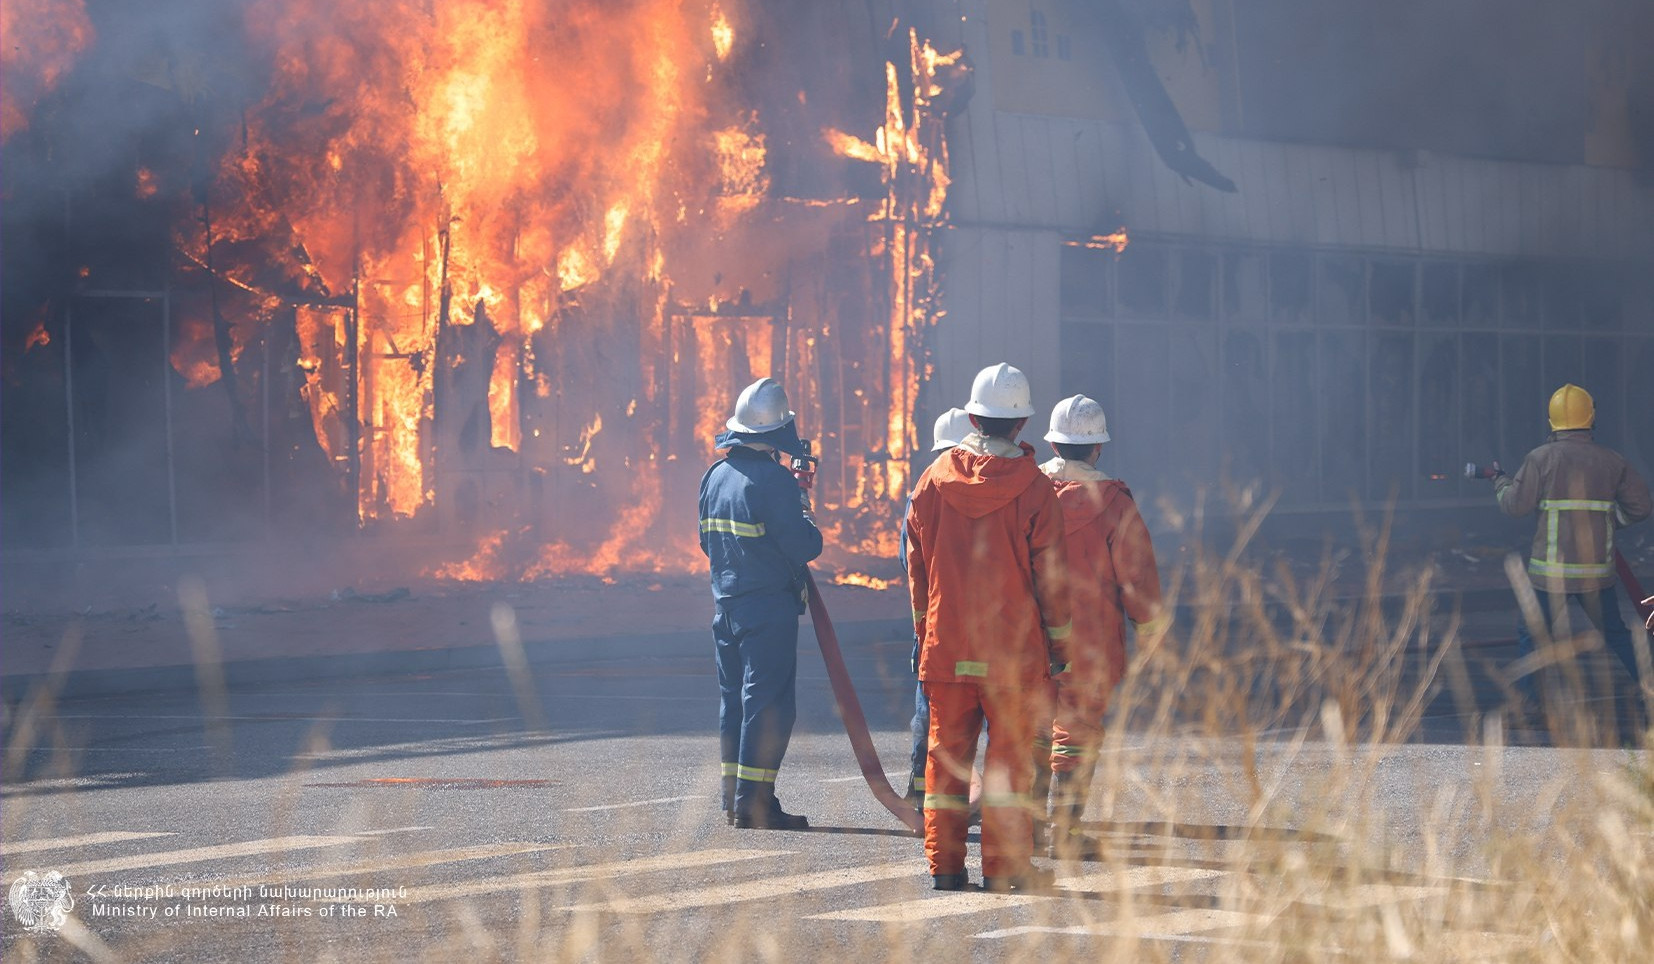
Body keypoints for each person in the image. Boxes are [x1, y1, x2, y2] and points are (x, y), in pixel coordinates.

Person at [904, 363, 1070, 892]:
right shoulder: (1036, 488)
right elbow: (1053, 579)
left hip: (946, 647)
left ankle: (945, 868)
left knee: (946, 764)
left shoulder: (931, 481)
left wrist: (924, 632)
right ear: (1021, 424)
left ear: (972, 416)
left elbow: (917, 571)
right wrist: (1059, 646)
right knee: (1010, 764)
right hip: (1013, 657)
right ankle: (1004, 870)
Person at [1037, 395, 1166, 857]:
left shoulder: (1026, 494)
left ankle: (1029, 830)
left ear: (1052, 443)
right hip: (1089, 643)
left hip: (1028, 635)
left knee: (1032, 728)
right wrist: (1150, 631)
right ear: (1098, 450)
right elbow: (1138, 576)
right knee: (1078, 731)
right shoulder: (1114, 503)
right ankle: (1065, 835)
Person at [700, 377, 823, 830]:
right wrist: (803, 504)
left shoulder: (714, 475)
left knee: (734, 701)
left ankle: (735, 799)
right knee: (768, 705)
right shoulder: (774, 481)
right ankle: (756, 804)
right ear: (777, 432)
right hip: (767, 608)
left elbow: (706, 541)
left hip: (726, 605)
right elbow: (804, 546)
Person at [1493, 383, 1651, 725]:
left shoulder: (1540, 459)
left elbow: (1515, 506)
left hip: (1550, 575)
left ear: (1552, 421)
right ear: (1590, 419)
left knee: (1532, 634)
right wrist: (1609, 523)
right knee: (1617, 635)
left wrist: (1500, 482)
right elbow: (1640, 507)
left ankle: (1530, 703)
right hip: (1596, 573)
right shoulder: (1612, 461)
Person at [904, 407, 974, 807]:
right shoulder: (980, 489)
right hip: (978, 625)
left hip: (935, 623)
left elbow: (912, 564)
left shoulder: (924, 490)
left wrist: (921, 626)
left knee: (932, 713)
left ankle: (926, 794)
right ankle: (941, 795)